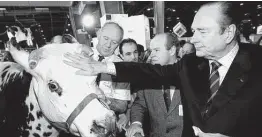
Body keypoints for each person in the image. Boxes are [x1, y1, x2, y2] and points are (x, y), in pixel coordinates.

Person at [64, 2, 262, 137]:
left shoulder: (257, 65)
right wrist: (101, 66)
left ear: (228, 33)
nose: (193, 39)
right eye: (194, 31)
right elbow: (148, 72)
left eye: (202, 31)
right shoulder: (191, 64)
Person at [126, 33, 183, 137]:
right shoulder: (147, 76)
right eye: (150, 51)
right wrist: (136, 123)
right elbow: (139, 104)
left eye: (156, 50)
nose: (152, 55)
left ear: (172, 50)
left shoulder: (191, 75)